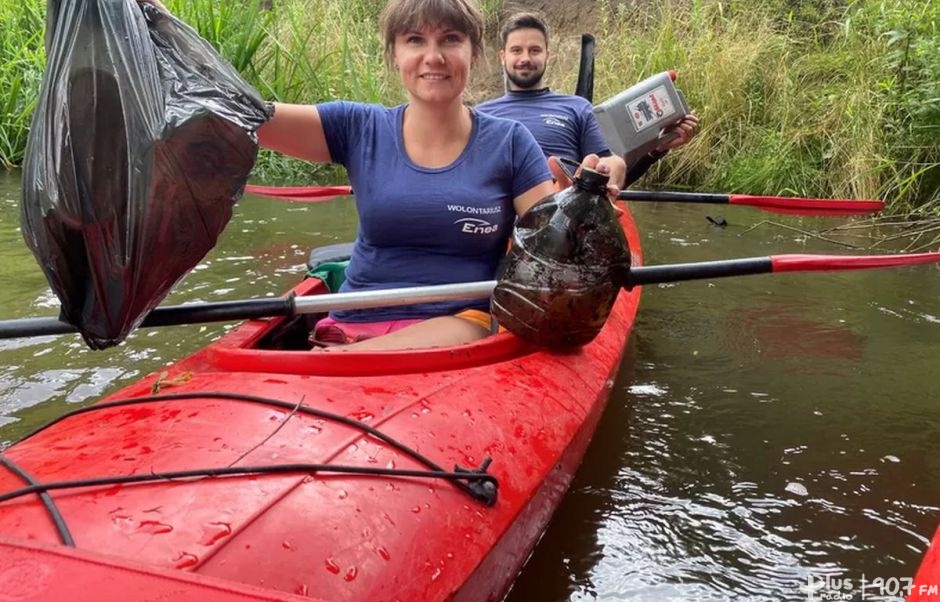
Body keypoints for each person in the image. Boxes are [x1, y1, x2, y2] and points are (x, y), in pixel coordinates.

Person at [138, 0, 620, 352]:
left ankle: (347, 358)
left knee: (472, 321)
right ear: (394, 54)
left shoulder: (510, 141)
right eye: (416, 40)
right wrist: (152, 25)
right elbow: (243, 114)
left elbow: (548, 246)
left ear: (474, 54)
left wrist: (586, 203)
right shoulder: (357, 126)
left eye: (450, 39)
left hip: (461, 328)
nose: (433, 56)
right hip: (352, 322)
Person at [476, 12, 699, 186]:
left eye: (534, 50)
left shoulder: (576, 107)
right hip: (499, 218)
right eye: (517, 50)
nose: (525, 58)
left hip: (565, 213)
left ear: (547, 55)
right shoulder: (479, 115)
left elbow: (610, 172)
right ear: (503, 57)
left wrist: (657, 149)